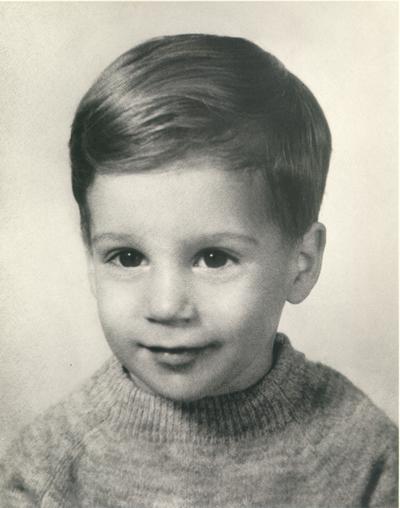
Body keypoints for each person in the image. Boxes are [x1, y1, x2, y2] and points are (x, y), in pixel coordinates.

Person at [0, 34, 397, 507]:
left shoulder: (364, 456)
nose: (166, 306)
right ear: (90, 258)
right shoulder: (49, 469)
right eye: (127, 257)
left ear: (301, 263)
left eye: (214, 258)